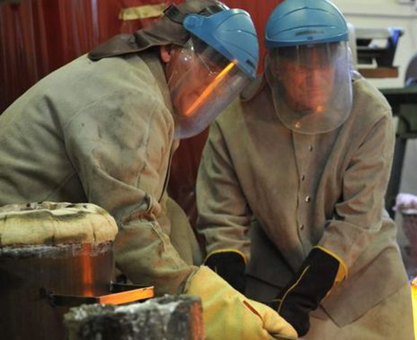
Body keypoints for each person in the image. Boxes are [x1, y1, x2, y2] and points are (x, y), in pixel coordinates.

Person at [0, 1, 296, 339]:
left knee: (176, 224)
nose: (212, 86)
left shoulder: (138, 80)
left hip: (38, 240)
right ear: (170, 48)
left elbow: (151, 214)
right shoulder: (134, 97)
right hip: (14, 255)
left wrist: (205, 289)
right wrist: (207, 303)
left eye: (227, 79)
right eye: (209, 64)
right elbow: (131, 226)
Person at [196, 0, 415, 338]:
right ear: (278, 66)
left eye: (324, 62)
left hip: (365, 280)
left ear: (340, 59)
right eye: (301, 63)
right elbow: (223, 218)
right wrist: (231, 302)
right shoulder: (234, 118)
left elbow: (358, 217)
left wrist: (302, 296)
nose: (314, 75)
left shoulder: (372, 113)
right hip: (272, 275)